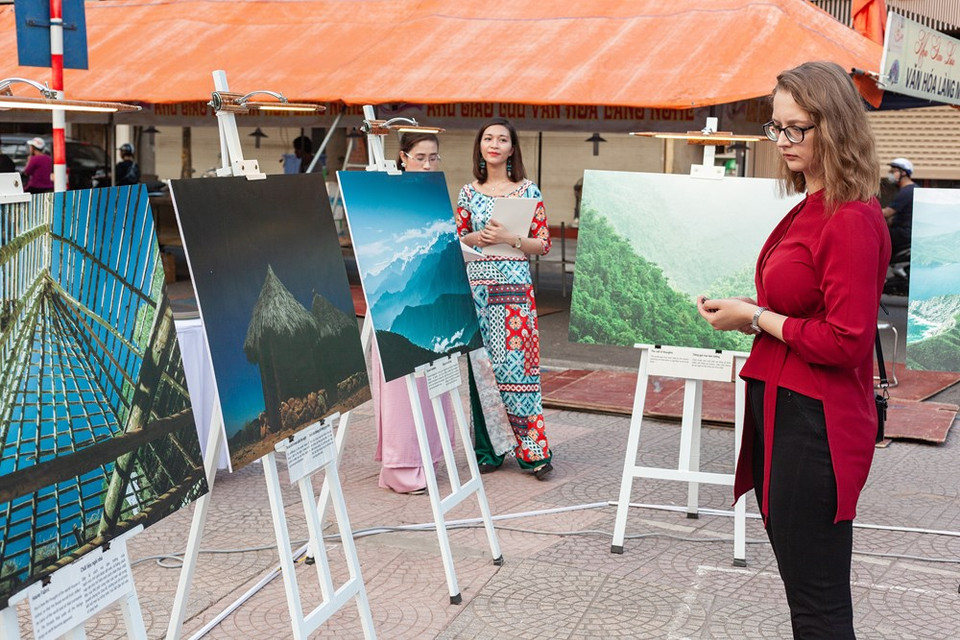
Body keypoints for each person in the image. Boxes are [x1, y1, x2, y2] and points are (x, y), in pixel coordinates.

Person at [697, 61, 890, 638]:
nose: (781, 140)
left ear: (834, 126)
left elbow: (847, 340)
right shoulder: (812, 204)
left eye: (795, 128)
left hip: (815, 421)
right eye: (775, 127)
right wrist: (753, 316)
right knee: (807, 594)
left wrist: (757, 317)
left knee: (817, 603)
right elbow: (806, 311)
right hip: (787, 409)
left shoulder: (849, 217)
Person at [456, 118, 554, 480]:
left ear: (512, 149)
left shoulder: (528, 191)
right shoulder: (468, 193)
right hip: (478, 292)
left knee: (520, 372)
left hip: (514, 296)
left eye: (502, 139)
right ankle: (489, 451)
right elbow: (457, 239)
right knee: (482, 371)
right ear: (480, 147)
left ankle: (534, 452)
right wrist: (477, 237)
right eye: (488, 138)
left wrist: (510, 238)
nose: (494, 144)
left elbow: (543, 243)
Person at [371, 131, 454, 495]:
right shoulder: (388, 195)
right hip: (394, 312)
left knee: (432, 383)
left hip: (429, 307)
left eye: (434, 157)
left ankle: (430, 457)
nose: (428, 164)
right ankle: (402, 464)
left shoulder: (433, 195)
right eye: (421, 157)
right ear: (403, 157)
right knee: (401, 391)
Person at [882, 157, 915, 260]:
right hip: (907, 232)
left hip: (903, 232)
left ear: (903, 173)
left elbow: (887, 213)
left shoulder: (907, 191)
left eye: (893, 171)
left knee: (876, 236)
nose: (890, 174)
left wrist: (870, 211)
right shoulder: (912, 188)